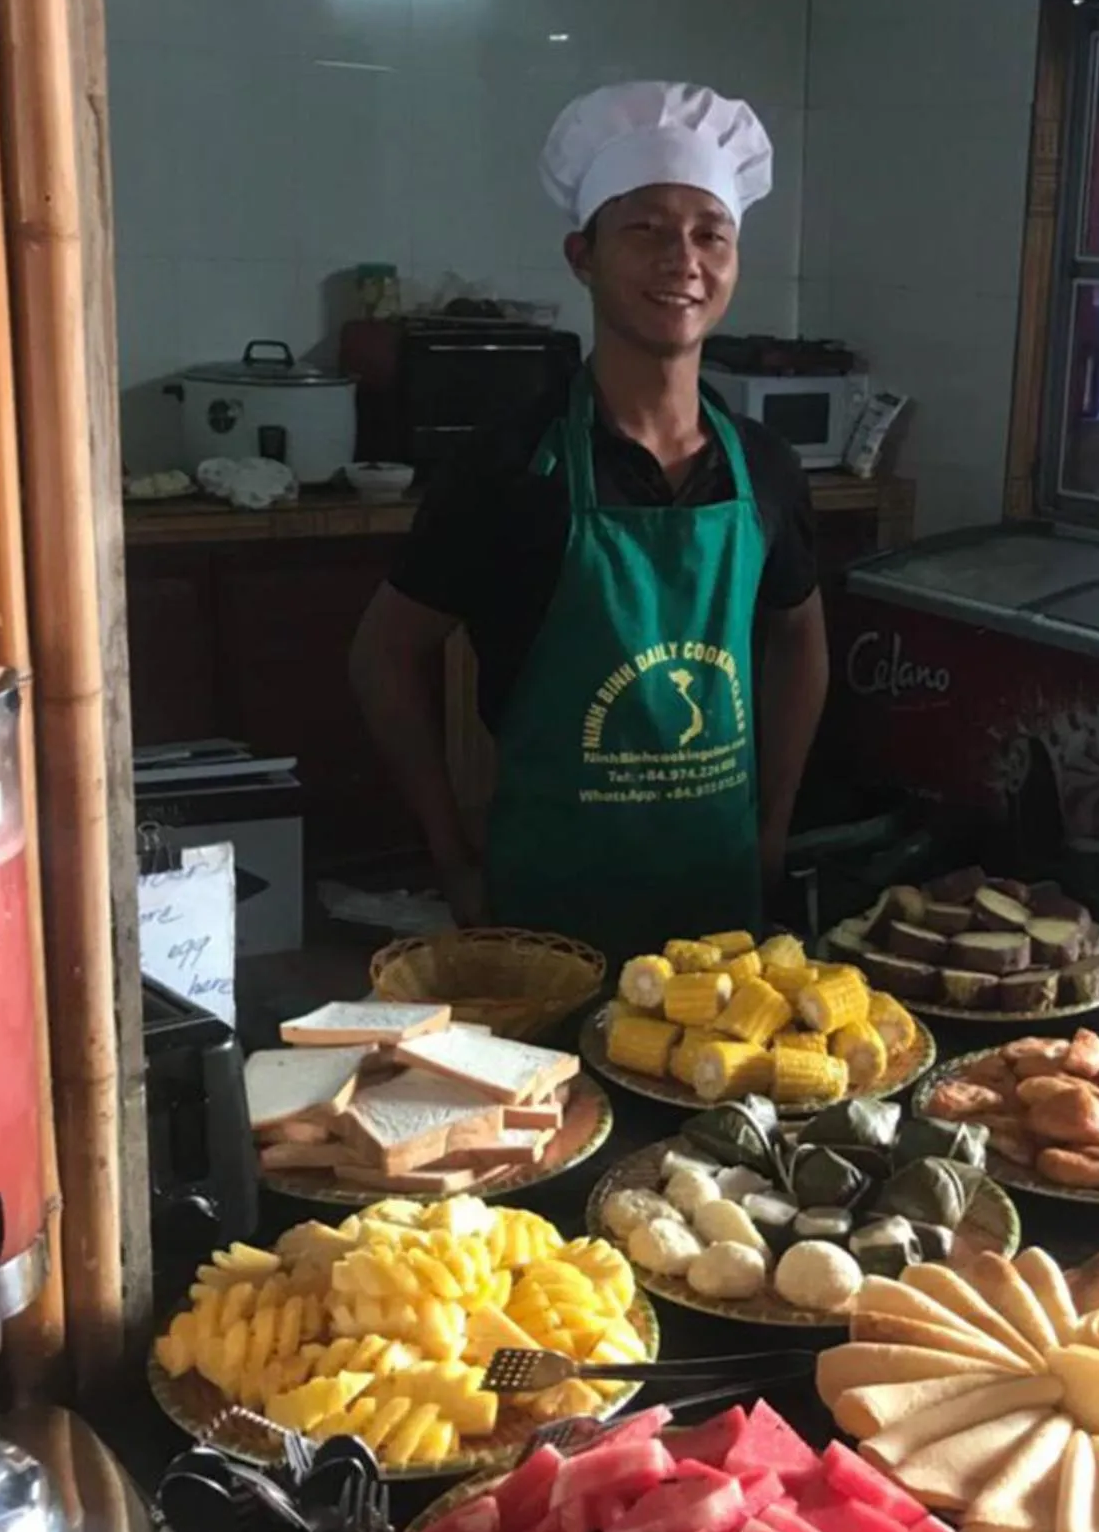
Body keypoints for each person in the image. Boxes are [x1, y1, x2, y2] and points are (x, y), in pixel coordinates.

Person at [350, 81, 829, 957]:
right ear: (582, 255)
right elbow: (384, 654)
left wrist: (772, 827)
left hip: (724, 917)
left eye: (710, 234)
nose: (682, 259)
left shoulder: (764, 468)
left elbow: (801, 639)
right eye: (645, 228)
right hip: (547, 911)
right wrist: (451, 851)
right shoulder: (510, 466)